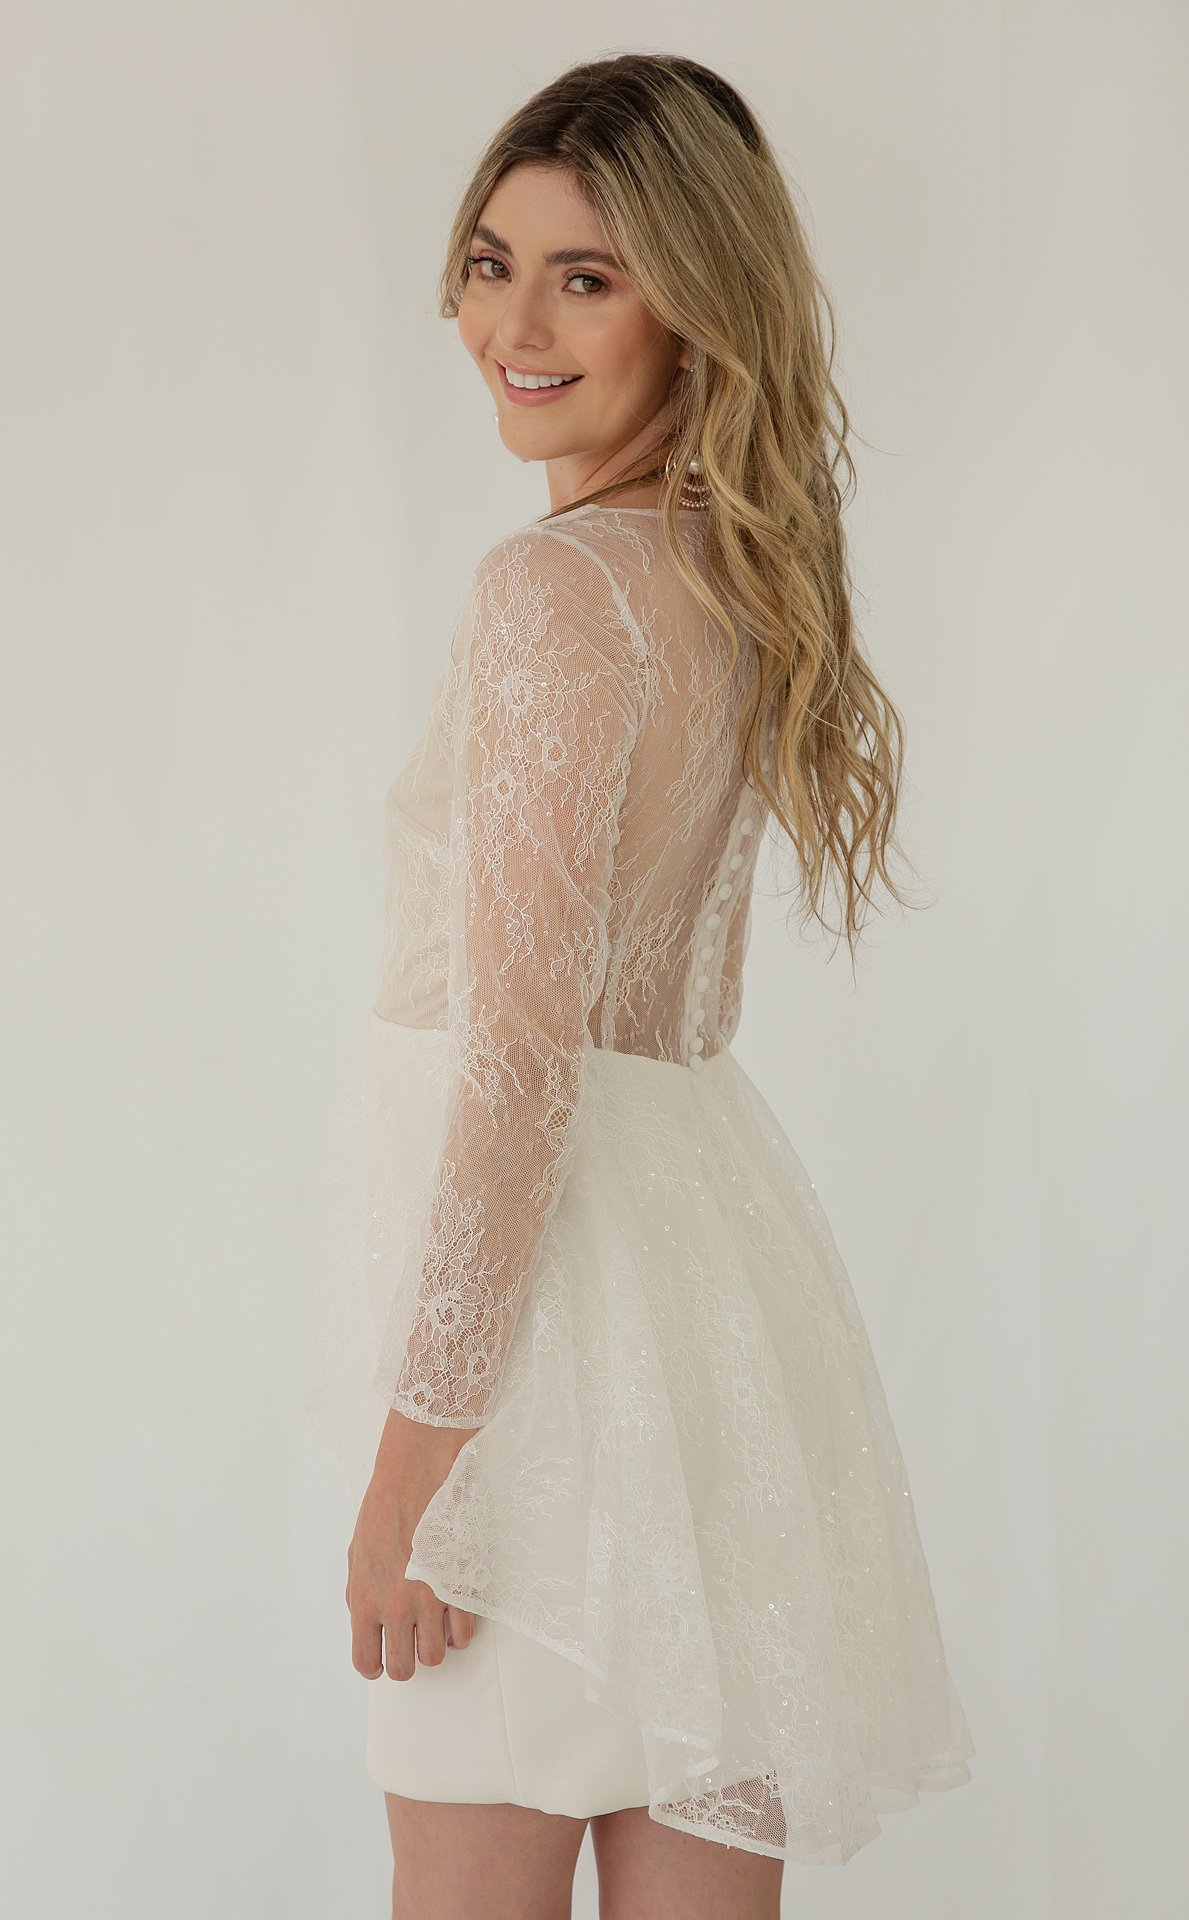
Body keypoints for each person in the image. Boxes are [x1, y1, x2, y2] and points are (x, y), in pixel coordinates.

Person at [303, 51, 975, 1920]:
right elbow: (659, 1027)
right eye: (491, 262)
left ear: (694, 300)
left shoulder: (555, 592)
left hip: (534, 1387)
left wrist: (411, 1482)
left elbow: (522, 1069)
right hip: (712, 1348)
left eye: (584, 278)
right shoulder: (738, 583)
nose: (513, 326)